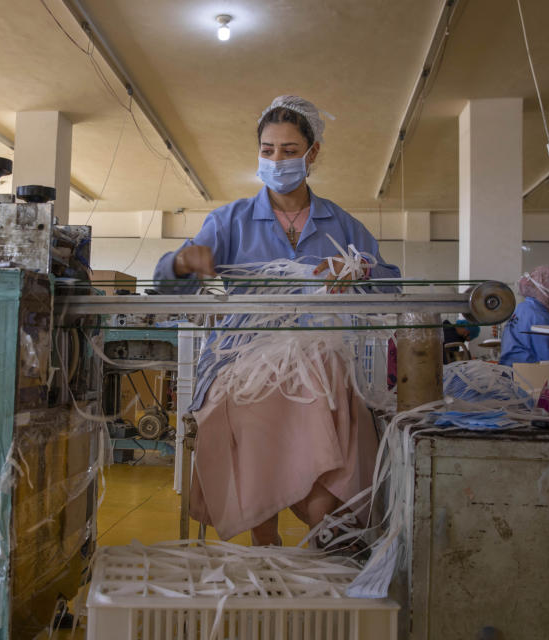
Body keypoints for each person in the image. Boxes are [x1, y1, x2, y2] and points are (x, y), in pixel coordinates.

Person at [154, 95, 401, 546]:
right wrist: (183, 263)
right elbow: (169, 283)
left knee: (326, 385)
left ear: (313, 153)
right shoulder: (230, 221)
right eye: (268, 151)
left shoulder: (340, 226)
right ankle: (265, 532)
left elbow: (391, 285)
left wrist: (359, 270)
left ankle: (325, 519)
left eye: (289, 150)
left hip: (318, 358)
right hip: (239, 360)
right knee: (255, 401)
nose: (277, 160)